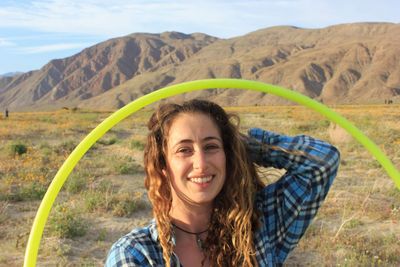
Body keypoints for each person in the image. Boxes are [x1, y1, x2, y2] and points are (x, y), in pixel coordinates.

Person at [105, 99, 340, 267]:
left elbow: (322, 162)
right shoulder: (137, 254)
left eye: (211, 147)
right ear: (163, 166)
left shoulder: (261, 226)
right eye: (184, 150)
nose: (201, 163)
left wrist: (244, 146)